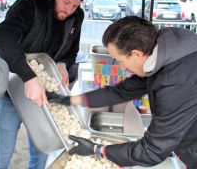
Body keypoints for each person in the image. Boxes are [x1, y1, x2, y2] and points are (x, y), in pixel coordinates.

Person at [48, 16, 197, 168]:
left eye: (120, 61)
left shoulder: (174, 84)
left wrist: (96, 149)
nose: (122, 68)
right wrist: (70, 100)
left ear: (137, 54)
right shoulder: (163, 52)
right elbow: (121, 92)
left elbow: (150, 151)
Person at [0, 0, 88, 168]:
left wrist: (63, 65)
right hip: (12, 92)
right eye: (66, 2)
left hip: (46, 98)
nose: (69, 10)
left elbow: (72, 50)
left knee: (42, 153)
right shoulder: (30, 5)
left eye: (75, 5)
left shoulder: (77, 16)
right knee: (2, 155)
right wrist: (28, 76)